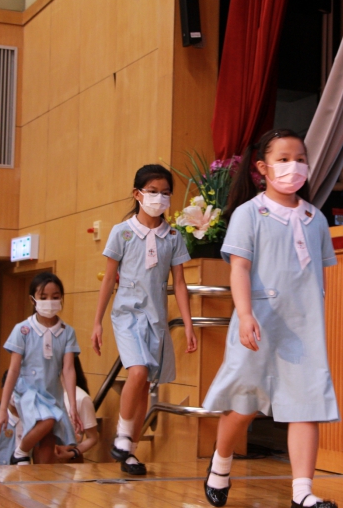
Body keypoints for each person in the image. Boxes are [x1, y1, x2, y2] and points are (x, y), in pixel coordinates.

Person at [201, 129, 339, 508]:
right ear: (262, 167)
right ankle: (221, 462)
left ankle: (302, 492)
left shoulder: (315, 218)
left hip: (303, 329)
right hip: (259, 322)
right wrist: (245, 314)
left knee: (306, 406)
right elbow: (239, 269)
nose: (293, 166)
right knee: (244, 405)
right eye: (283, 159)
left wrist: (318, 318)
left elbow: (320, 275)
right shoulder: (249, 214)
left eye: (300, 159)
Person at [91, 164, 196, 476]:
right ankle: (123, 436)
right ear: (138, 194)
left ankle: (130, 452)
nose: (159, 198)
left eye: (165, 193)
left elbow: (179, 283)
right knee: (136, 372)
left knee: (144, 384)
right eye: (153, 192)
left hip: (156, 318)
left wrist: (188, 324)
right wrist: (97, 322)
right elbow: (108, 281)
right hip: (126, 314)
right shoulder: (121, 232)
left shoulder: (173, 236)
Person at [0, 272, 82, 465]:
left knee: (48, 444)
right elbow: (13, 370)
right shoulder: (22, 330)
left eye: (55, 296)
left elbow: (68, 369)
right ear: (33, 299)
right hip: (28, 392)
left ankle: (40, 480)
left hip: (52, 394)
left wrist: (73, 406)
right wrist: (3, 409)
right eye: (43, 297)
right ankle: (20, 452)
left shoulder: (67, 332)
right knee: (48, 419)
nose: (49, 301)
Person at [56, 357, 98, 462]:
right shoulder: (49, 393)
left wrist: (72, 453)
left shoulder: (81, 398)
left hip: (69, 462)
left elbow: (92, 437)